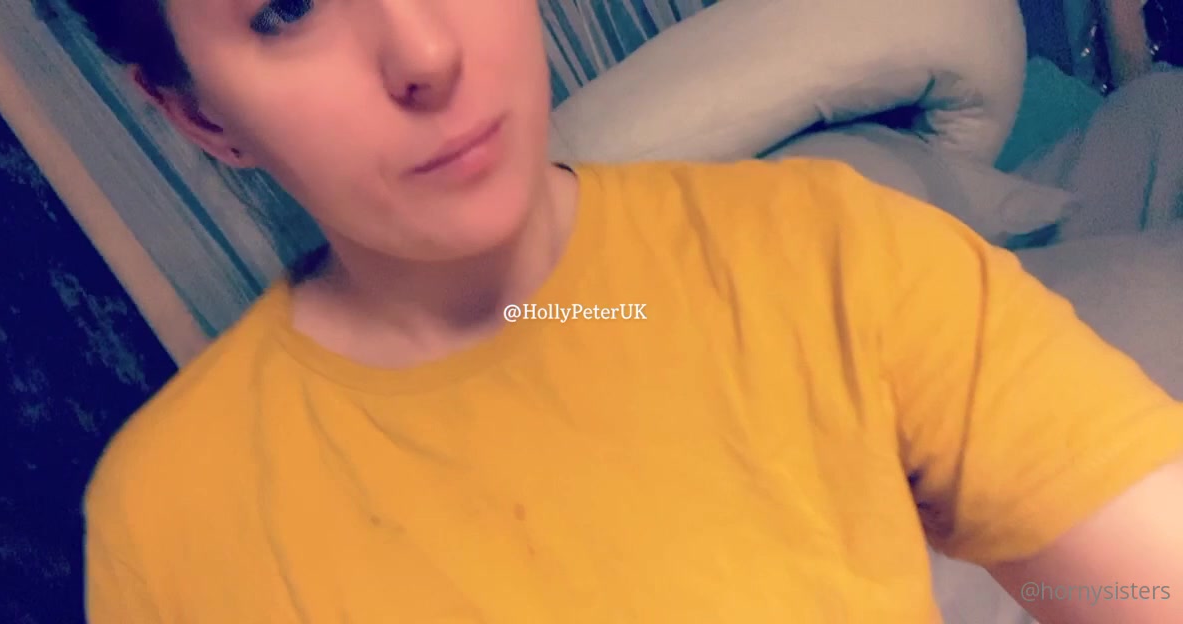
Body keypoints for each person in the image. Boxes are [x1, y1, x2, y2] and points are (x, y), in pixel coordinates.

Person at [68, 0, 1183, 622]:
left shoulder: (829, 254)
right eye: (286, 9)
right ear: (199, 116)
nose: (426, 50)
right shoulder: (173, 520)